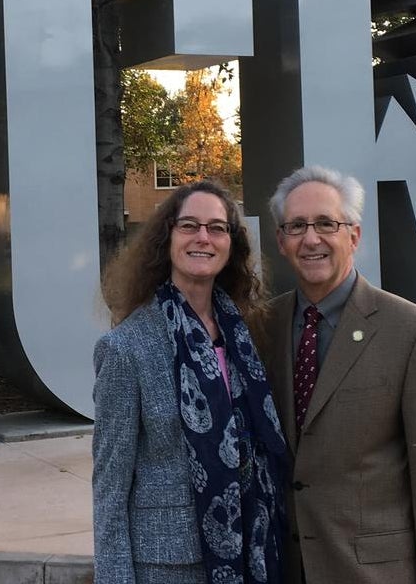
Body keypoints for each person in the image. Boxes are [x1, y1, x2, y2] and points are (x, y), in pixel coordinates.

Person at [264, 165, 416, 584]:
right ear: (281, 241)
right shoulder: (264, 327)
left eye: (326, 223)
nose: (311, 239)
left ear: (353, 236)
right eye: (297, 226)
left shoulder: (413, 332)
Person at [92, 180, 287, 584]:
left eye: (217, 228)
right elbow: (109, 487)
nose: (203, 237)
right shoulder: (126, 347)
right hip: (169, 565)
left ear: (231, 244)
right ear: (167, 238)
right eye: (189, 226)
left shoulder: (245, 334)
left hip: (253, 549)